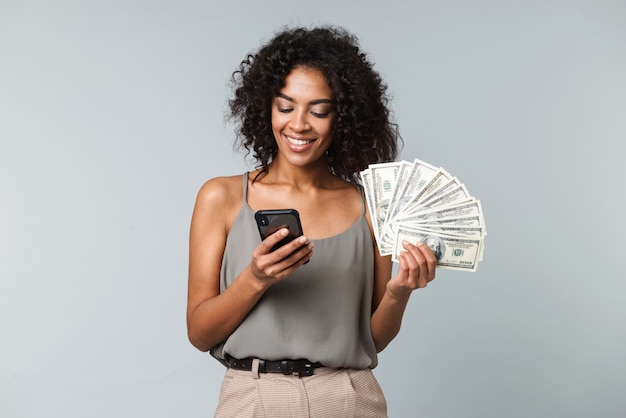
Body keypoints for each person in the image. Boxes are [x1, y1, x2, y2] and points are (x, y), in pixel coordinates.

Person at [187, 25, 437, 417]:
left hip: (349, 397)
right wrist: (256, 279)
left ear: (344, 117)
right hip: (254, 397)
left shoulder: (371, 205)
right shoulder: (221, 197)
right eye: (285, 107)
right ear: (265, 107)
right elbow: (200, 333)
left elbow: (373, 339)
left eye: (318, 111)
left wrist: (399, 292)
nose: (299, 124)